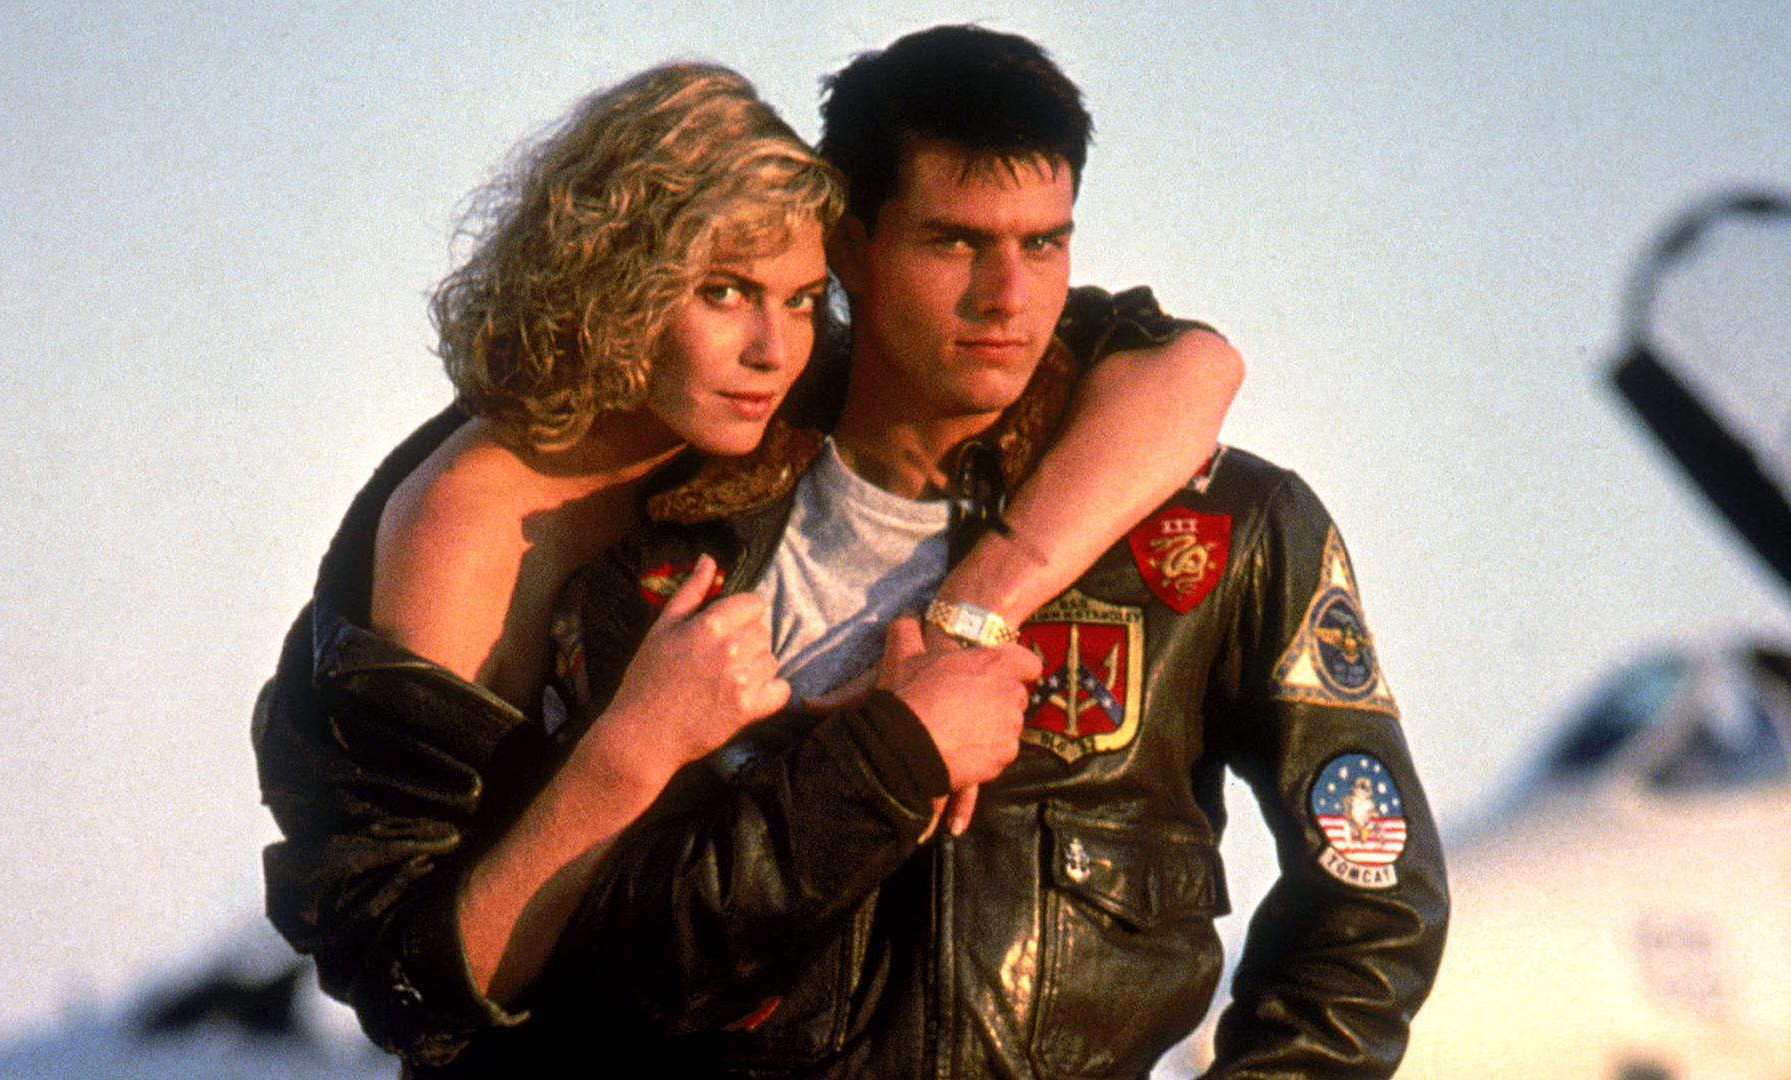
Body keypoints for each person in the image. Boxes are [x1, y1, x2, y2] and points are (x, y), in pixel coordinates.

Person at [253, 55, 1242, 1072]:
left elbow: (1193, 370)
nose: (775, 349)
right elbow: (413, 984)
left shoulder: (757, 403)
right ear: (612, 284)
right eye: (723, 293)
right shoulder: (465, 521)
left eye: (804, 299)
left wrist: (973, 607)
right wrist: (635, 745)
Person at [533, 25, 1449, 1079]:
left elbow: (1374, 900)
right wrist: (880, 764)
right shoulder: (679, 556)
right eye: (956, 243)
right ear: (851, 249)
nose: (1008, 296)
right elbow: (621, 970)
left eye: (1045, 244)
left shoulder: (1223, 531)